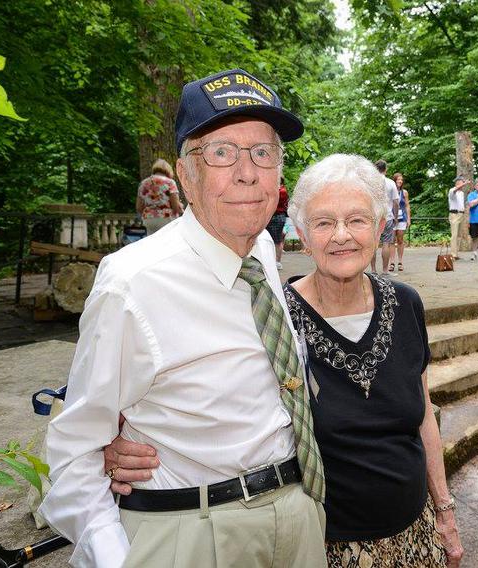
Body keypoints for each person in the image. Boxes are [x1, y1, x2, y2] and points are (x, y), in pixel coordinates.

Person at [106, 154, 465, 568]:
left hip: (415, 533)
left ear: (381, 227)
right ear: (301, 234)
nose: (341, 236)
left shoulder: (406, 303)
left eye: (358, 220)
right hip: (319, 545)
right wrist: (112, 446)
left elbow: (423, 418)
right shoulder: (275, 313)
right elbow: (185, 386)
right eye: (324, 222)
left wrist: (445, 510)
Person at [40, 69, 327, 568]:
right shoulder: (132, 282)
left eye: (263, 151)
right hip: (194, 532)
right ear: (184, 174)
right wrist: (114, 558)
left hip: (298, 515)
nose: (247, 172)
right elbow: (74, 448)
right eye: (221, 152)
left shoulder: (259, 249)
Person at [136, 158, 184, 235]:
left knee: (153, 243)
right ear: (168, 170)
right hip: (166, 218)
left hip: (149, 219)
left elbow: (139, 207)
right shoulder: (170, 182)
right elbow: (175, 206)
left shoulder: (144, 183)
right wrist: (180, 206)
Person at [369, 159, 400, 273]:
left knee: (373, 243)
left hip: (373, 217)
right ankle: (385, 270)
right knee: (386, 243)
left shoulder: (370, 183)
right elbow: (396, 202)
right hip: (387, 216)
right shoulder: (391, 183)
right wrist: (395, 217)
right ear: (385, 169)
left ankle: (373, 270)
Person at [266, 176, 289, 269]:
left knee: (277, 240)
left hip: (278, 216)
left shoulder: (282, 191)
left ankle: (277, 261)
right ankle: (270, 260)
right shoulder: (276, 189)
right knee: (269, 239)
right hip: (271, 216)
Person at [392, 172, 411, 271]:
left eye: (401, 180)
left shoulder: (404, 192)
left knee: (400, 240)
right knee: (391, 241)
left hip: (402, 218)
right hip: (392, 217)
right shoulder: (391, 190)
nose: (400, 181)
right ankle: (391, 262)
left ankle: (400, 261)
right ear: (394, 180)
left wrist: (409, 218)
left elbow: (407, 206)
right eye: (398, 179)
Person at [446, 176, 469, 259]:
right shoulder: (452, 190)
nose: (463, 184)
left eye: (463, 182)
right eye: (461, 182)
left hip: (461, 214)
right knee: (454, 235)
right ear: (457, 183)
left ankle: (456, 254)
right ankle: (452, 254)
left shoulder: (462, 193)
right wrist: (464, 183)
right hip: (454, 214)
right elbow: (455, 190)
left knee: (459, 235)